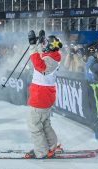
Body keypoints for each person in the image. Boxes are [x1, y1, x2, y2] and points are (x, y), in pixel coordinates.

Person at [24, 30, 62, 158]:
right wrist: (38, 43)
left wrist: (33, 45)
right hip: (44, 95)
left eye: (46, 43)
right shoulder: (53, 56)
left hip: (40, 96)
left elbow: (39, 65)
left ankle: (41, 151)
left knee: (34, 125)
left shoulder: (51, 60)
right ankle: (51, 147)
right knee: (45, 124)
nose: (44, 45)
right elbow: (41, 56)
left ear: (51, 46)